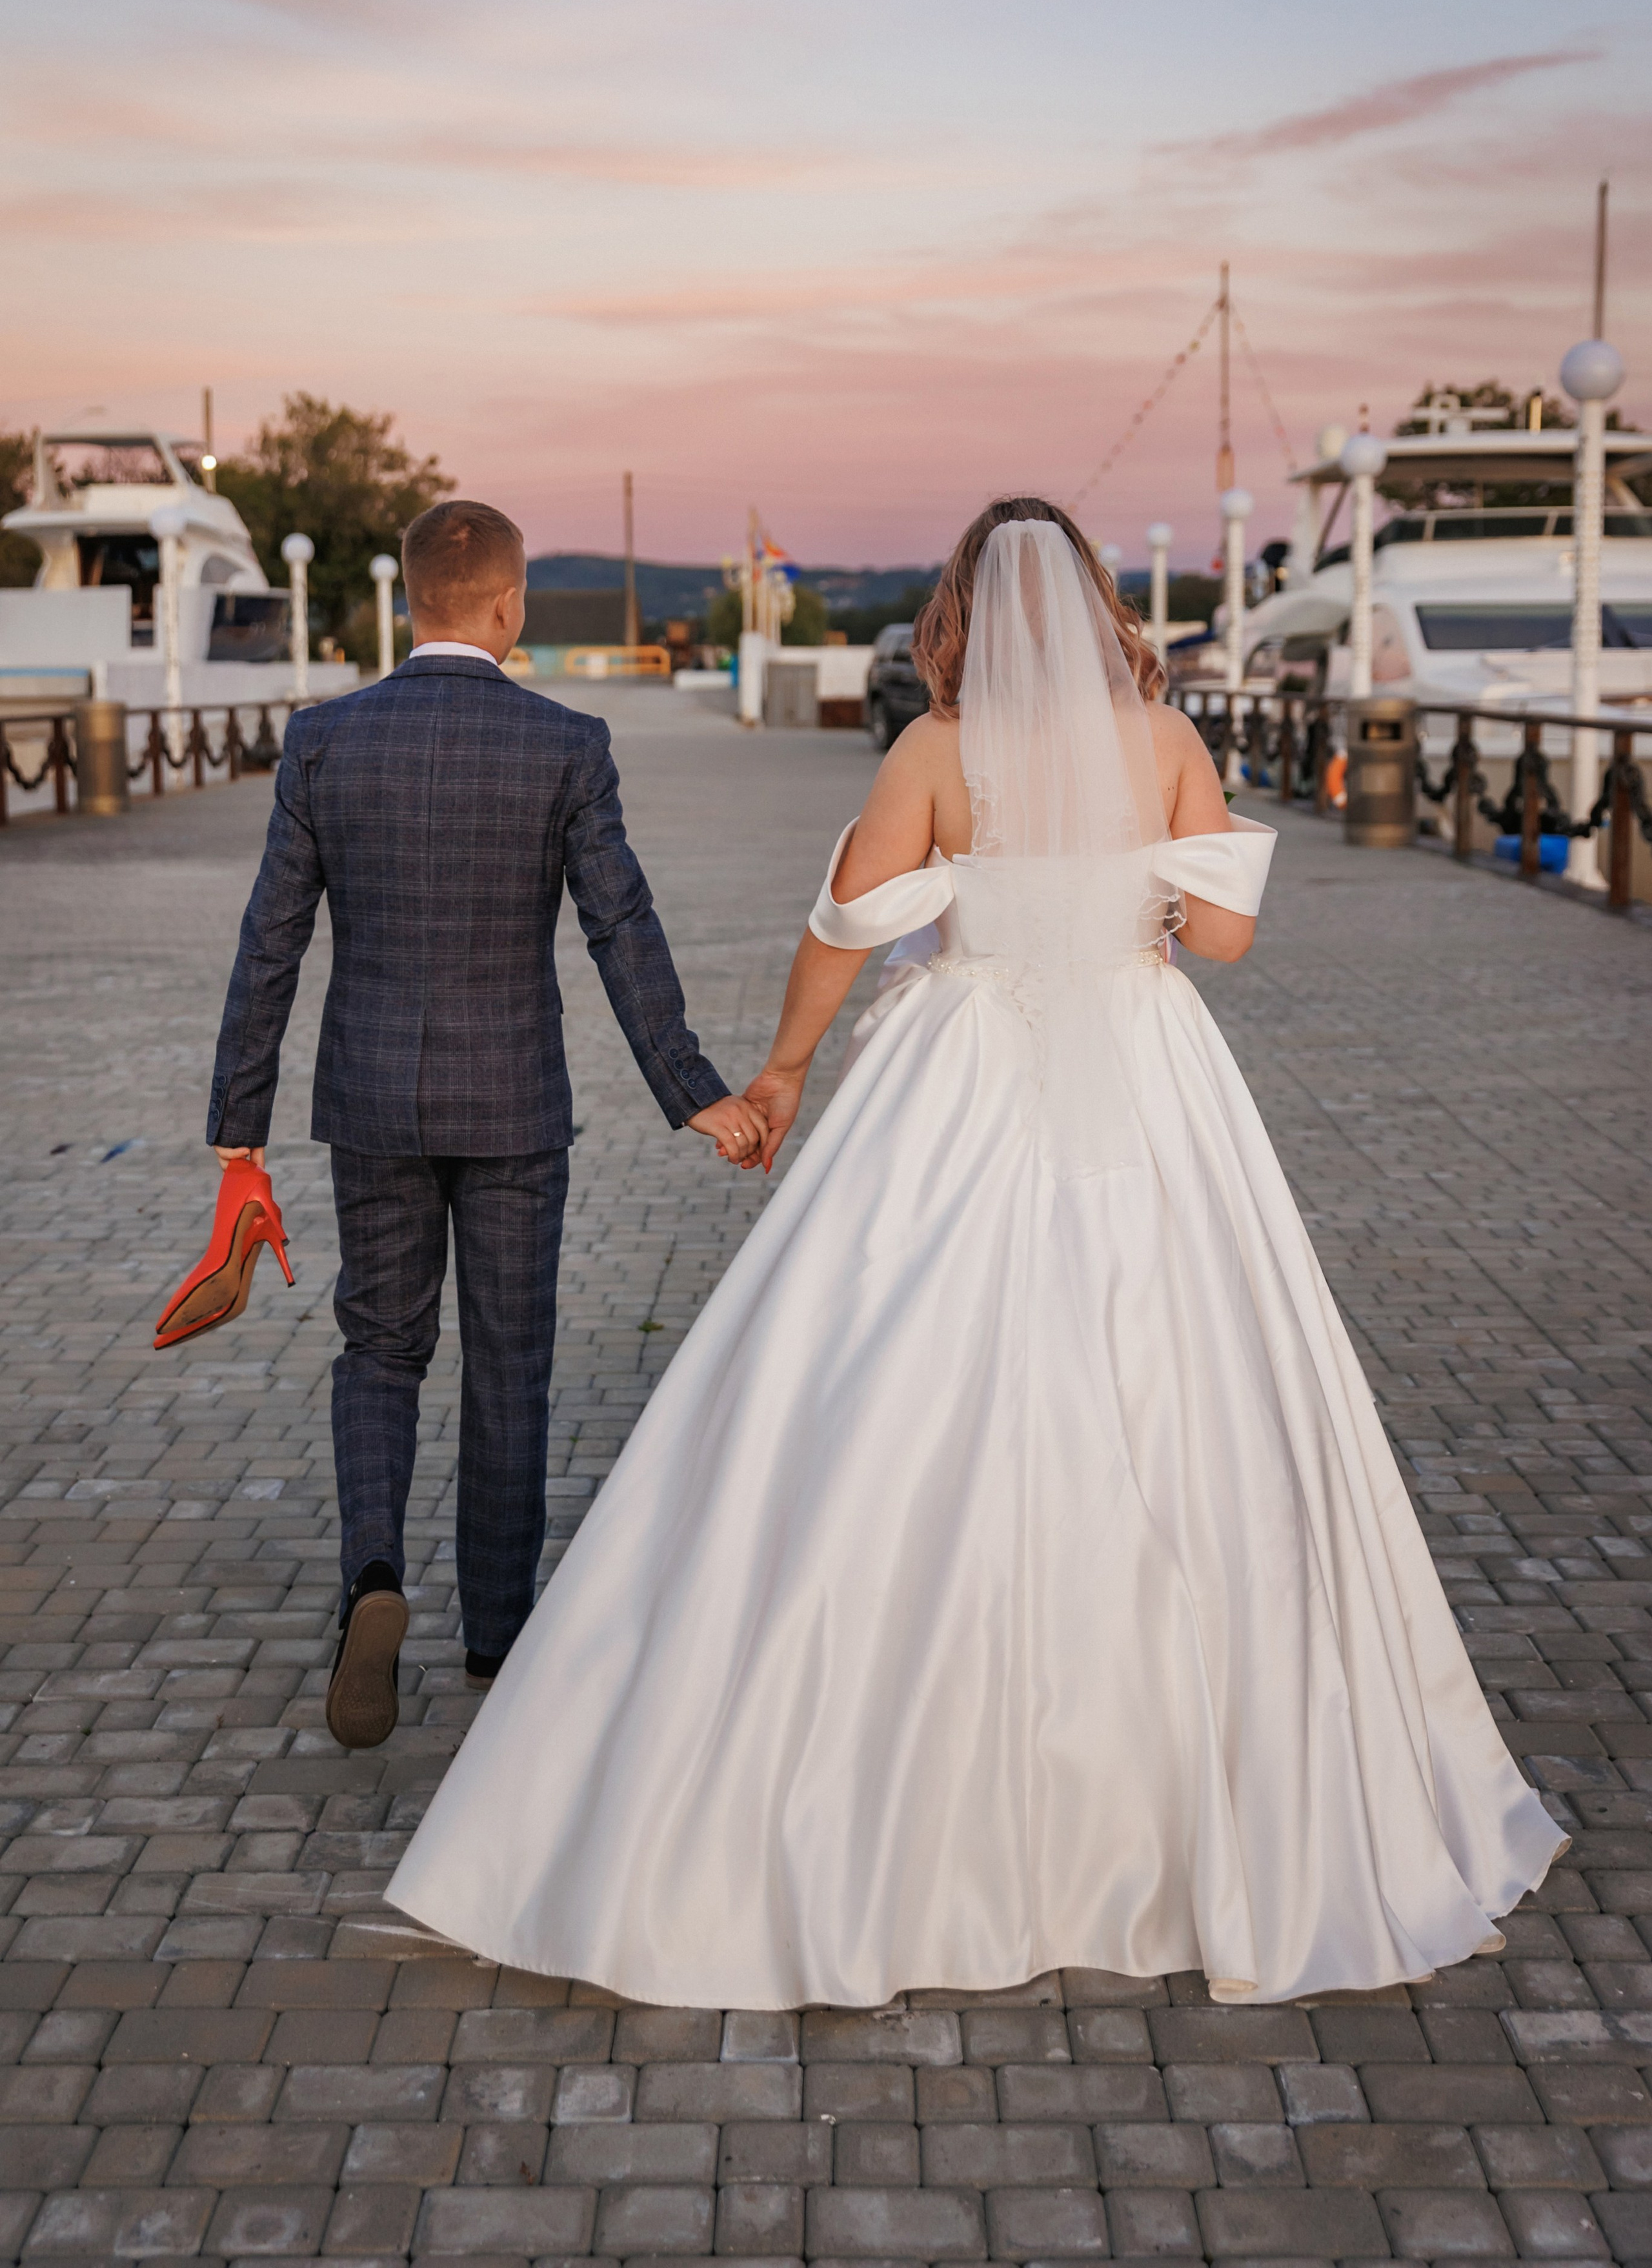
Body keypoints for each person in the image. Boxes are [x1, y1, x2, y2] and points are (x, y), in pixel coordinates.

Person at [388, 498, 1563, 2007]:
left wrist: (784, 1075)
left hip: (958, 1068)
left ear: (957, 613)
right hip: (1146, 1073)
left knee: (883, 1371)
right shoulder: (1164, 740)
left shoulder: (931, 755)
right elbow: (1220, 944)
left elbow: (846, 926)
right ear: (1090, 609)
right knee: (1192, 1372)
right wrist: (1127, 895)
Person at [205, 499, 765, 1752]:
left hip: (370, 1102)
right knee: (508, 1365)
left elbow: (271, 938)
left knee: (380, 1347)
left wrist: (237, 1128)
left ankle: (371, 1580)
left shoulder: (324, 739)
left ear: (411, 602)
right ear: (511, 606)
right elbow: (621, 926)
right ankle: (499, 1635)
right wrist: (694, 1091)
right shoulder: (564, 743)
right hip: (514, 1105)